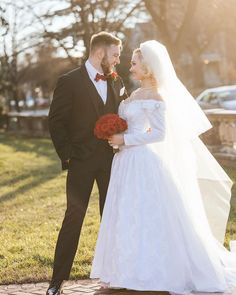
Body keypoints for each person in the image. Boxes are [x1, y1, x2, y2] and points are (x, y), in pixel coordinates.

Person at [90, 40, 236, 295]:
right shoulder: (133, 94)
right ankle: (123, 271)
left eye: (134, 63)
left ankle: (150, 272)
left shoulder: (156, 97)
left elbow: (158, 134)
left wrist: (126, 139)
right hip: (125, 162)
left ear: (147, 68)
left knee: (147, 216)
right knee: (125, 215)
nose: (130, 66)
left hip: (143, 161)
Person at [47, 31, 128, 295]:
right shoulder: (69, 81)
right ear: (100, 52)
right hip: (80, 162)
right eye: (115, 55)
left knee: (113, 218)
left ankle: (114, 276)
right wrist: (68, 154)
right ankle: (56, 281)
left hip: (111, 162)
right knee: (74, 217)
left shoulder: (117, 81)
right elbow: (56, 121)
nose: (117, 60)